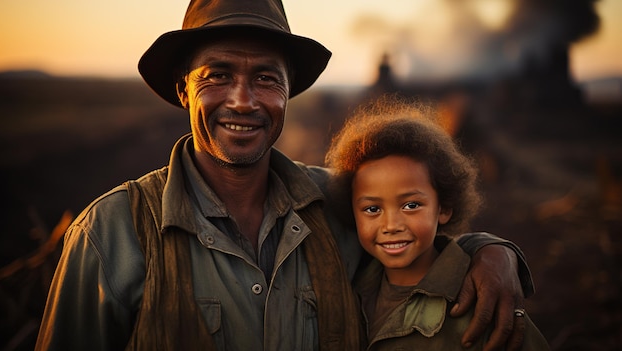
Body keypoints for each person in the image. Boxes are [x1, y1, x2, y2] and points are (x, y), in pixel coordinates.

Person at [35, 0, 534, 350]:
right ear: (184, 90)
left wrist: (489, 251)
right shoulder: (111, 233)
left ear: (288, 94)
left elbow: (414, 241)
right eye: (218, 76)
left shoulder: (338, 204)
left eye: (266, 79)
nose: (243, 101)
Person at [325, 98, 549, 350]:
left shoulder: (485, 300)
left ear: (444, 208)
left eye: (411, 205)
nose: (391, 225)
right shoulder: (348, 290)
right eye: (372, 209)